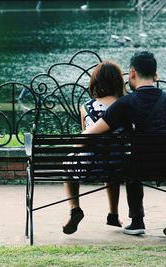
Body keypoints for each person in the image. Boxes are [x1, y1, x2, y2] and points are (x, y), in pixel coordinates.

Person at [82, 51, 166, 239]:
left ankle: (137, 220)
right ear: (156, 76)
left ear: (132, 74)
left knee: (131, 163)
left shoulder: (125, 103)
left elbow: (90, 133)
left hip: (140, 167)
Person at [63, 61, 126, 235]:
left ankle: (75, 209)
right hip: (119, 165)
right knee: (112, 163)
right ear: (118, 82)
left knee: (69, 163)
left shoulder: (86, 107)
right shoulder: (126, 105)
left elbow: (86, 133)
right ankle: (113, 214)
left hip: (89, 165)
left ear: (95, 82)